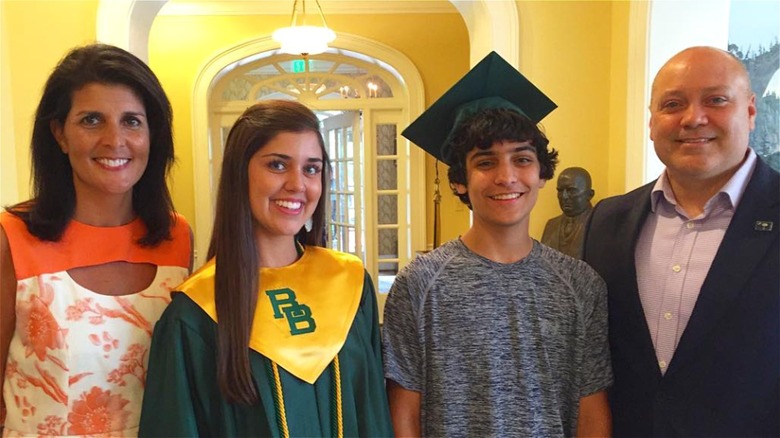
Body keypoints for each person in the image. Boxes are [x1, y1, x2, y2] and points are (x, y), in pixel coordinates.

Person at [383, 51, 613, 437]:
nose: (507, 177)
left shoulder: (580, 284)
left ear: (542, 173)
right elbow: (404, 413)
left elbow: (590, 406)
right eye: (486, 163)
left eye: (522, 159)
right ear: (460, 181)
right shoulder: (419, 284)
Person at [138, 100, 393, 437]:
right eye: (277, 165)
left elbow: (374, 413)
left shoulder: (350, 284)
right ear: (238, 173)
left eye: (311, 168)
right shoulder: (196, 312)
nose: (297, 184)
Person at [583, 46, 779, 437]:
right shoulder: (606, 222)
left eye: (716, 100)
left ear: (751, 111)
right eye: (673, 104)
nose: (693, 118)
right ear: (652, 122)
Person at [0, 43, 192, 436]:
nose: (114, 140)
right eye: (91, 120)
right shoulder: (12, 237)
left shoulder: (177, 238)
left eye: (132, 121)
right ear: (60, 134)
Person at [541, 167, 594, 259]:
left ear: (590, 194)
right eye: (560, 191)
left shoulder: (598, 225)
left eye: (571, 191)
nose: (564, 197)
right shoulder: (551, 225)